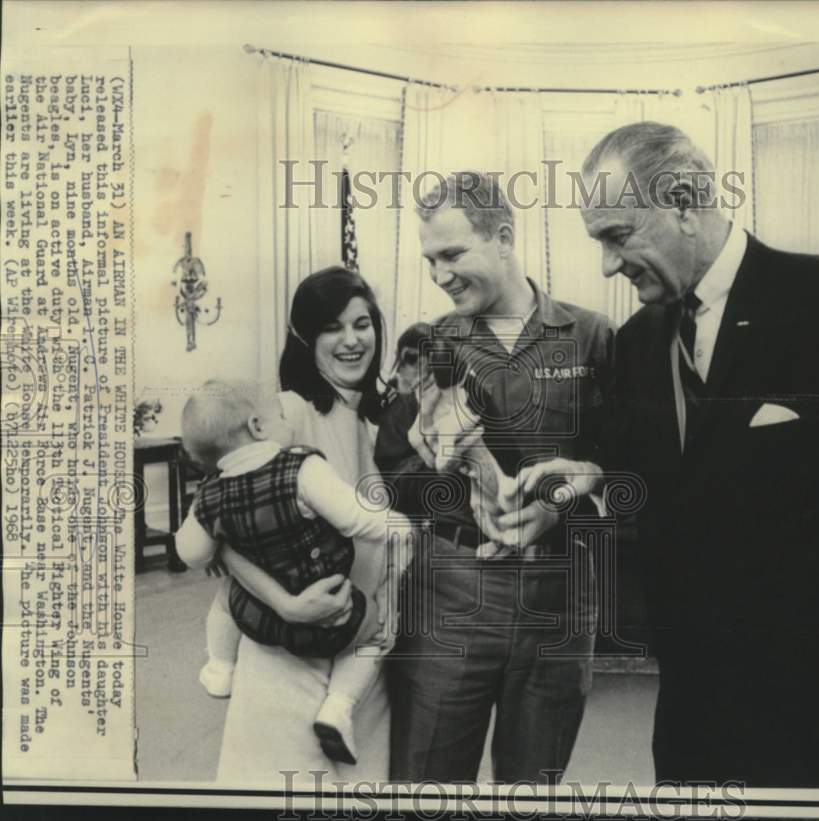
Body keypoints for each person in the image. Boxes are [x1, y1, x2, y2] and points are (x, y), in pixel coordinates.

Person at [515, 122, 819, 788]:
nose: (608, 265)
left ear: (686, 204)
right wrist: (591, 473)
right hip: (691, 705)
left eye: (618, 236)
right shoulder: (641, 339)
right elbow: (655, 467)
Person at [375, 171, 614, 783]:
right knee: (427, 787)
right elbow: (394, 470)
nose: (440, 274)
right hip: (450, 591)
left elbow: (625, 461)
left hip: (560, 598)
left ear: (504, 237)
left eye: (453, 254)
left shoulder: (591, 337)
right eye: (430, 260)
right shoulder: (426, 347)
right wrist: (466, 490)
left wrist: (557, 504)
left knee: (533, 788)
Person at [213, 266, 404, 783]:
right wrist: (286, 604)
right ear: (305, 338)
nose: (351, 340)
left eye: (362, 324)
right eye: (332, 327)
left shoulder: (381, 421)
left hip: (362, 660)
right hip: (289, 656)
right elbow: (215, 530)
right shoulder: (288, 412)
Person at [176, 379, 411, 766]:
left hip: (258, 620)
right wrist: (399, 527)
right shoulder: (301, 466)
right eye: (280, 417)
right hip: (335, 608)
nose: (286, 421)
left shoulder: (210, 494)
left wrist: (212, 538)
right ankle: (338, 705)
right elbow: (355, 518)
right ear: (257, 426)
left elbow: (193, 554)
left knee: (223, 606)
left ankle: (220, 666)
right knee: (378, 627)